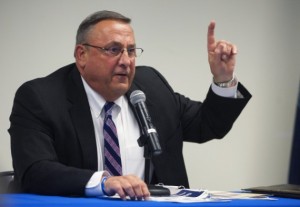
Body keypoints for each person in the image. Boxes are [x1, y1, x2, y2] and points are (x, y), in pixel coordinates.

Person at [9, 10, 251, 200]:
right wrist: (103, 183)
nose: (126, 61)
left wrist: (223, 79)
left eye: (131, 51)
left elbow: (208, 126)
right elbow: (34, 171)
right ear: (81, 55)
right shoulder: (40, 98)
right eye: (113, 50)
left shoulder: (150, 87)